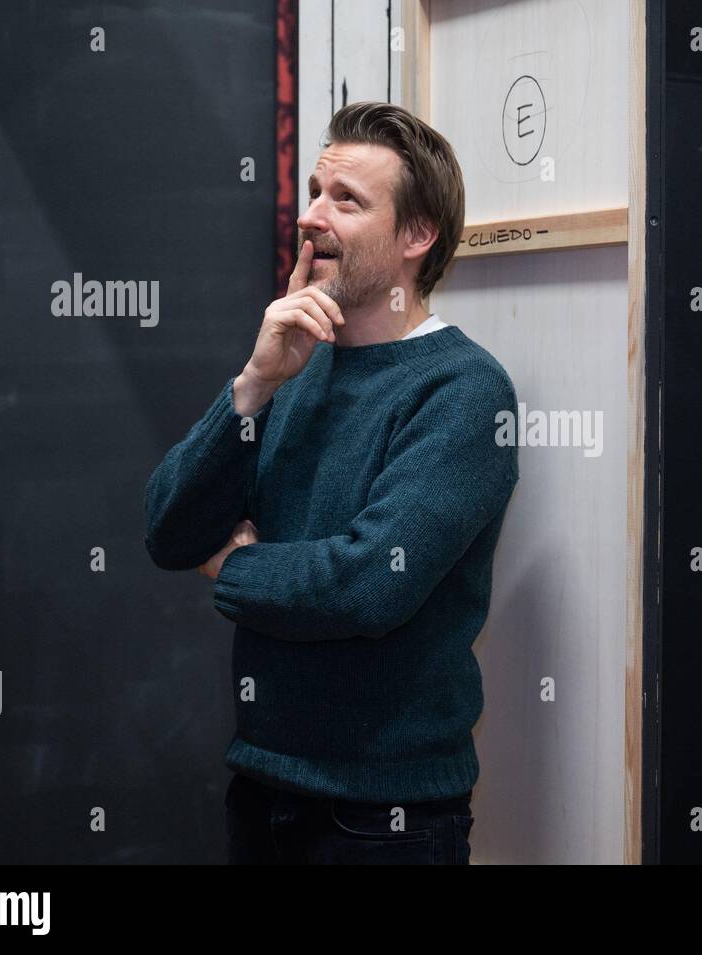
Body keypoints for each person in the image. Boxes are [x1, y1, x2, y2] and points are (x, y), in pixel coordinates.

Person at [143, 101, 518, 865]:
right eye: (315, 191)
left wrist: (238, 565)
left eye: (346, 200)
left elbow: (368, 580)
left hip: (384, 819)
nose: (312, 217)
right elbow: (170, 531)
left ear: (417, 236)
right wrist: (253, 384)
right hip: (261, 785)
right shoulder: (297, 364)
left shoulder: (464, 391)